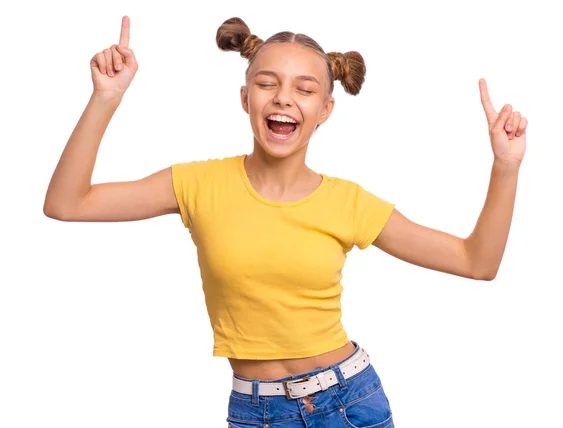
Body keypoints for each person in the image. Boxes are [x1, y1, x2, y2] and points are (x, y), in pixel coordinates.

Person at [43, 15, 528, 428]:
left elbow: (476, 262)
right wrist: (106, 97)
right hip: (254, 410)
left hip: (348, 403)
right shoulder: (196, 184)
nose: (282, 98)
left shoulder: (348, 202)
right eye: (267, 83)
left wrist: (505, 167)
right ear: (245, 97)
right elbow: (68, 203)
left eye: (305, 88)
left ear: (325, 110)